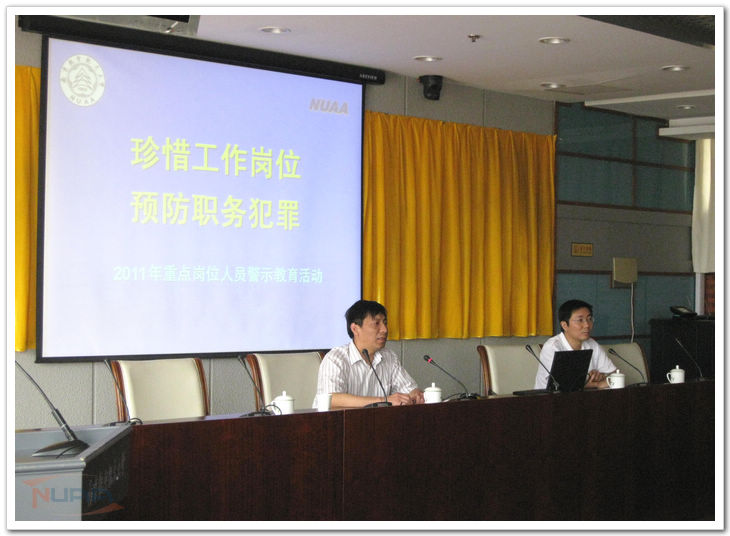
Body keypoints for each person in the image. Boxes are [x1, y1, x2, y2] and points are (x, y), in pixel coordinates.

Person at [315, 299, 424, 408]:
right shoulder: (336, 359)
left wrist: (415, 394)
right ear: (355, 329)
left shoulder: (389, 357)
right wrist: (384, 401)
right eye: (376, 323)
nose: (384, 330)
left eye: (385, 323)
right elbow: (332, 399)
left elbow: (409, 389)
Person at [534, 299, 616, 390]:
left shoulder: (592, 344)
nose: (587, 325)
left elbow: (615, 374)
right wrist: (597, 384)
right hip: (550, 397)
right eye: (580, 320)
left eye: (589, 319)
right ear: (564, 325)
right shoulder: (553, 347)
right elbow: (560, 386)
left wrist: (602, 376)